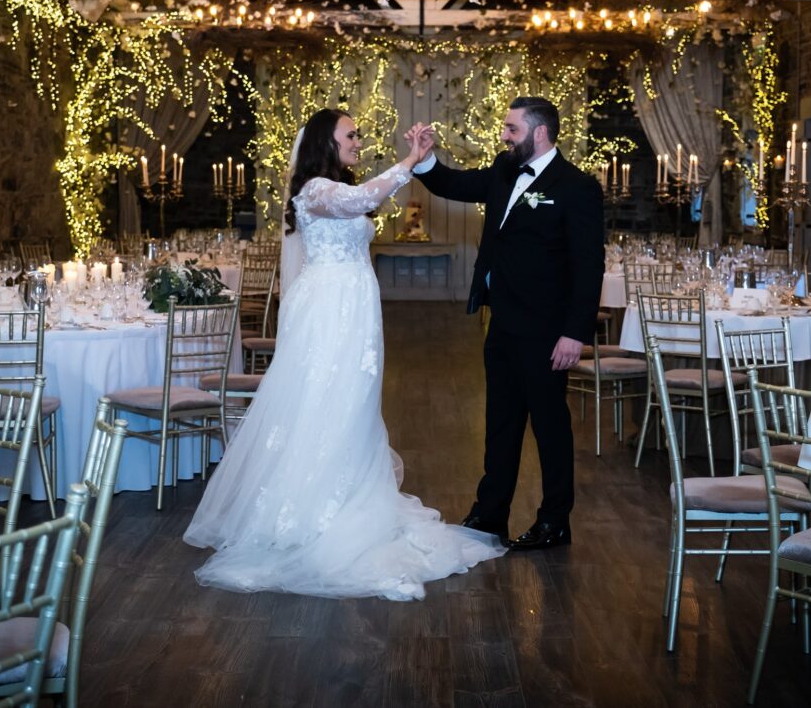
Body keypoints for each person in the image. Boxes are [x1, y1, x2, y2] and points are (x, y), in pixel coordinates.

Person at [184, 108, 505, 600]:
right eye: (350, 135)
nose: (357, 141)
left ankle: (352, 492)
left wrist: (414, 162)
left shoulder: (333, 187)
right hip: (329, 310)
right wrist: (410, 161)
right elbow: (362, 198)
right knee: (324, 401)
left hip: (355, 308)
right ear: (325, 143)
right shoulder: (314, 189)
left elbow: (361, 200)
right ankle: (312, 511)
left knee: (355, 404)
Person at [410, 96, 604, 550]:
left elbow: (588, 265)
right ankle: (490, 514)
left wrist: (574, 332)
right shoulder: (503, 170)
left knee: (550, 427)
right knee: (500, 422)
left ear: (540, 133)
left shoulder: (577, 187)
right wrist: (425, 158)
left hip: (547, 329)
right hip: (502, 323)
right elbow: (452, 184)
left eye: (512, 129)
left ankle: (555, 521)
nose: (504, 136)